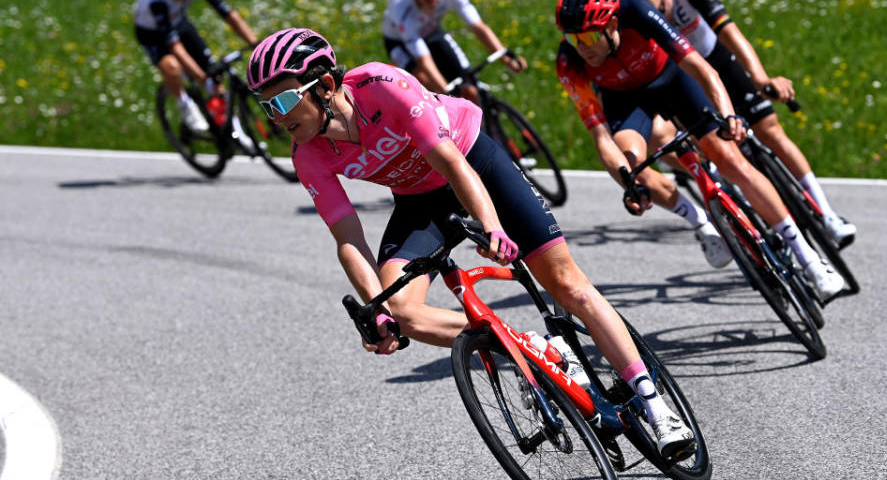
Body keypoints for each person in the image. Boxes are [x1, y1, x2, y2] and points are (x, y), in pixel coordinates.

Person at [247, 27, 695, 458]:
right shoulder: (307, 154)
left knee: (566, 284)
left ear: (325, 85)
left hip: (472, 161)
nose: (277, 116)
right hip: (418, 200)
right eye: (267, 107)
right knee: (404, 312)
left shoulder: (384, 86)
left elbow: (453, 164)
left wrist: (491, 226)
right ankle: (531, 348)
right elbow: (347, 236)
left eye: (284, 100)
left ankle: (657, 406)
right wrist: (376, 310)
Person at [554, 0, 844, 299]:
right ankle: (701, 223)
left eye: (589, 37)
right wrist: (630, 185)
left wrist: (729, 115)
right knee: (632, 162)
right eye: (573, 38)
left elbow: (701, 68)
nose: (583, 47)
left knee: (731, 161)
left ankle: (810, 259)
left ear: (610, 24)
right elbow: (601, 137)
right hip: (626, 102)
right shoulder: (569, 61)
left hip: (673, 81)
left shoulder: (635, 10)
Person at [595, 0, 856, 246]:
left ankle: (827, 216)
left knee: (769, 129)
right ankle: (749, 217)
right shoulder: (630, 20)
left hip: (717, 63)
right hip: (684, 80)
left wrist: (760, 78)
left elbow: (731, 34)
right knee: (714, 153)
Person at [134, 0, 258, 137]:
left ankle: (234, 130)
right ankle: (184, 105)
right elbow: (175, 47)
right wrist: (202, 78)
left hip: (179, 22)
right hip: (152, 34)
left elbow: (227, 13)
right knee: (172, 67)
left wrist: (255, 43)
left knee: (215, 79)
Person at [381, 0, 527, 106]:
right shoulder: (402, 8)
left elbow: (479, 27)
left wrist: (506, 59)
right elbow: (423, 59)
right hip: (400, 44)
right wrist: (446, 93)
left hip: (431, 32)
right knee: (433, 93)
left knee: (470, 90)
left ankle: (481, 128)